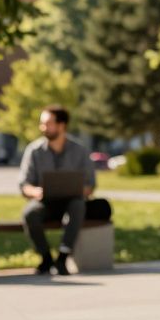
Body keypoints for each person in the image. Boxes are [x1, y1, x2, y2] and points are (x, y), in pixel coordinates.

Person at [17, 104, 96, 276]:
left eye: (47, 123)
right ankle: (46, 258)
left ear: (62, 125)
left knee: (78, 205)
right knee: (29, 213)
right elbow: (24, 184)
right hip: (44, 202)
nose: (43, 127)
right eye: (42, 123)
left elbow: (90, 184)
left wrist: (79, 190)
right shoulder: (34, 151)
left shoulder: (80, 151)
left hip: (71, 202)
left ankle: (62, 258)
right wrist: (36, 192)